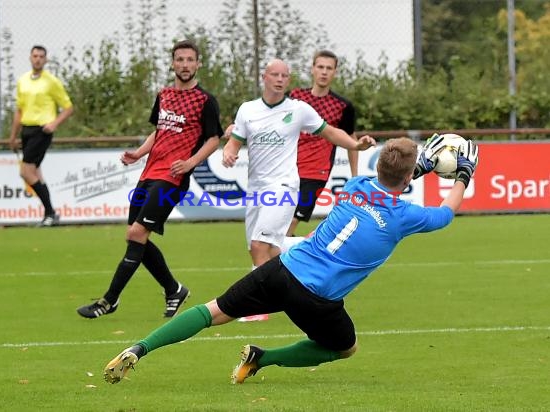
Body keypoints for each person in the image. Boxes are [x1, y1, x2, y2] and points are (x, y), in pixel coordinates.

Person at [102, 134, 479, 385]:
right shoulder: (403, 216)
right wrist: (463, 173)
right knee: (344, 348)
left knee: (213, 310)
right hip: (317, 299)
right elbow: (445, 213)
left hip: (281, 269)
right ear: (408, 176)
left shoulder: (355, 186)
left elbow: (392, 181)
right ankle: (262, 359)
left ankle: (140, 348)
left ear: (377, 167)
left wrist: (416, 168)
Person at [76, 40, 223, 319]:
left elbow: (214, 138)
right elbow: (160, 130)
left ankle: (108, 301)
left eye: (190, 60)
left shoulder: (205, 100)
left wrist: (190, 163)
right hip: (149, 174)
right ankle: (173, 289)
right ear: (172, 63)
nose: (185, 65)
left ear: (198, 64)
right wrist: (139, 153)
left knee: (136, 234)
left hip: (172, 179)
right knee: (136, 238)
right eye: (179, 59)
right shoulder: (164, 94)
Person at [222, 58, 375, 271]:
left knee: (260, 247)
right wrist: (228, 153)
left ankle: (259, 301)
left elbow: (330, 132)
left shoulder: (298, 109)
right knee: (267, 249)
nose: (279, 79)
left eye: (284, 76)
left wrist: (356, 145)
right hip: (257, 189)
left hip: (284, 186)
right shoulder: (247, 110)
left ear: (288, 81)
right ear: (263, 77)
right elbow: (233, 143)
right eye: (275, 74)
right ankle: (314, 244)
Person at [287, 49, 358, 237]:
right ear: (312, 69)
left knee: (292, 220)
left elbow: (351, 140)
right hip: (287, 168)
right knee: (279, 220)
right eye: (320, 67)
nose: (324, 72)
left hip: (316, 173)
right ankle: (284, 258)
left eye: (329, 68)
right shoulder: (294, 97)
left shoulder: (342, 106)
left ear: (335, 72)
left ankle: (275, 263)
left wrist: (355, 175)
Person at [8, 45, 74, 227]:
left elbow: (68, 107)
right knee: (36, 173)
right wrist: (13, 136)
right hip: (27, 130)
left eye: (41, 56)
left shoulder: (51, 81)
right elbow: (19, 110)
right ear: (30, 58)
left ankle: (50, 212)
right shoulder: (22, 81)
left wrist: (54, 123)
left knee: (25, 171)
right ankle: (50, 215)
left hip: (42, 131)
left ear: (45, 60)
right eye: (35, 56)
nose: (37, 59)